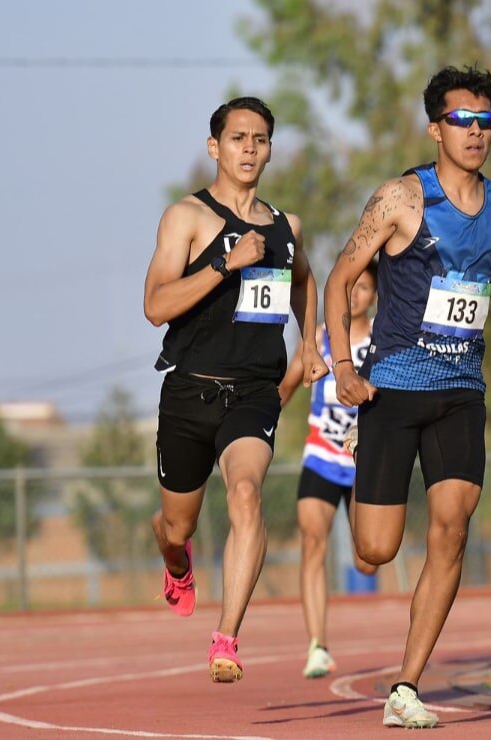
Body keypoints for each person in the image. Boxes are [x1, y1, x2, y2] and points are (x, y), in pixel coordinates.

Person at [324, 65, 491, 729]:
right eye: (462, 121)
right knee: (375, 550)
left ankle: (406, 685)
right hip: (393, 387)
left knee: (451, 532)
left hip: (461, 392)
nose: (476, 134)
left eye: (485, 123)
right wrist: (342, 366)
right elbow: (338, 280)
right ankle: (369, 478)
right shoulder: (400, 200)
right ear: (435, 128)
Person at [142, 96, 328, 683]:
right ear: (214, 147)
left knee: (246, 493)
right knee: (179, 527)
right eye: (239, 138)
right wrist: (225, 264)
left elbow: (304, 280)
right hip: (190, 392)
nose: (250, 148)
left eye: (261, 139)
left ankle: (226, 638)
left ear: (270, 149)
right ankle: (175, 560)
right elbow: (155, 306)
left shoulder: (286, 227)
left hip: (253, 390)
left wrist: (310, 343)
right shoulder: (186, 218)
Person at [279, 262, 379, 680]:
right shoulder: (318, 339)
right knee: (313, 543)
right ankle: (317, 645)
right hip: (321, 455)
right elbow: (285, 388)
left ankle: (370, 545)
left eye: (364, 287)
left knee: (367, 561)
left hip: (364, 458)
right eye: (350, 284)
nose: (355, 292)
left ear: (375, 296)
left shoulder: (382, 341)